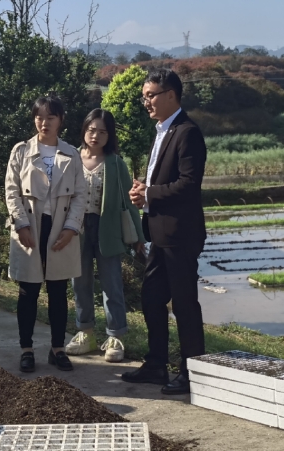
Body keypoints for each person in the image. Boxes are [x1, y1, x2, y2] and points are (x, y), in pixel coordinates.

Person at [122, 69, 207, 396]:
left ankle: (192, 372)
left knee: (184, 304)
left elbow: (188, 184)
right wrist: (144, 191)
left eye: (151, 95)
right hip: (159, 233)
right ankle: (157, 364)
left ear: (171, 95)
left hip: (180, 234)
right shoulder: (162, 131)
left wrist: (150, 193)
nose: (146, 102)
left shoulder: (187, 132)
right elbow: (161, 181)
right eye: (144, 96)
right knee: (151, 298)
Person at [6, 95, 87, 373]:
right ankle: (26, 349)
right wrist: (20, 224)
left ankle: (57, 349)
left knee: (58, 290)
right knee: (28, 291)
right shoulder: (21, 151)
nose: (44, 123)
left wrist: (71, 227)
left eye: (50, 117)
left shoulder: (72, 154)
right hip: (30, 225)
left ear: (60, 120)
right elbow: (11, 191)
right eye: (39, 117)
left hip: (61, 227)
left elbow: (80, 194)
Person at [64, 109, 146, 363]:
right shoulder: (71, 158)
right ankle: (85, 333)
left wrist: (138, 236)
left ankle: (115, 336)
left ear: (109, 135)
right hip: (77, 229)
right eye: (92, 130)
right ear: (84, 130)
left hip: (107, 229)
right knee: (80, 284)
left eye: (102, 131)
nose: (96, 136)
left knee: (112, 285)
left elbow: (128, 202)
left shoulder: (116, 163)